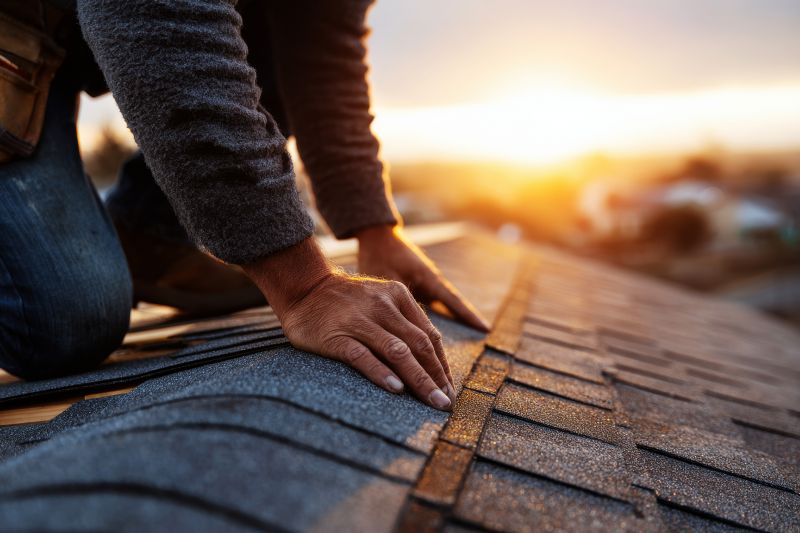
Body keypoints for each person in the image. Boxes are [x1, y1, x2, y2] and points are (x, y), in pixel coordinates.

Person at [0, 0, 489, 411]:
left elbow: (323, 46)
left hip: (53, 38)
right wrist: (304, 285)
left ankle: (150, 236)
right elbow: (158, 18)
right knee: (60, 324)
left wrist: (375, 230)